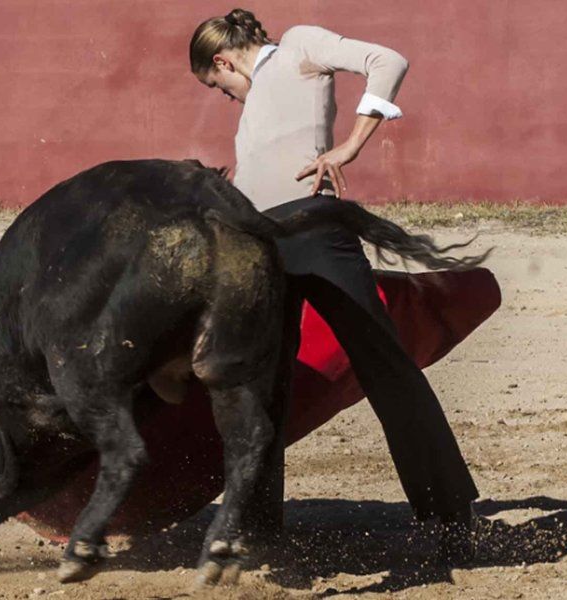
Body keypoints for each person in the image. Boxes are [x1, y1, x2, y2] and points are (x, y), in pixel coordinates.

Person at [189, 8, 481, 559]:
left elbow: (387, 61)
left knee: (384, 365)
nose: (229, 97)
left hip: (315, 232)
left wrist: (350, 146)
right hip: (259, 246)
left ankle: (449, 516)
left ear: (223, 62)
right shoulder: (259, 105)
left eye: (220, 88)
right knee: (263, 384)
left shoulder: (298, 46)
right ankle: (259, 530)